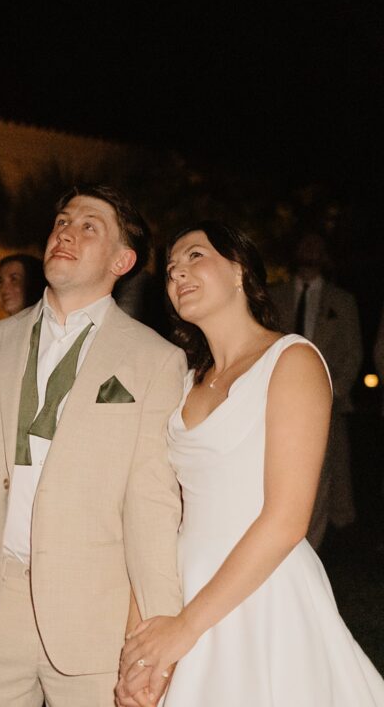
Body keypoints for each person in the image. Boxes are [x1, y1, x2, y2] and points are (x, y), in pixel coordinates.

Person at [0, 185, 186, 707]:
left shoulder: (156, 361)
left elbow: (151, 508)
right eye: (63, 221)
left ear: (122, 260)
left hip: (96, 620)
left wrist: (157, 636)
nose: (67, 232)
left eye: (90, 227)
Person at [116, 221, 384, 707]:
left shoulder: (291, 359)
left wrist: (186, 629)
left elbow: (286, 521)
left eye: (195, 256)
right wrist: (139, 640)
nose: (178, 274)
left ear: (239, 271)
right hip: (179, 582)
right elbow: (156, 512)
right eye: (171, 270)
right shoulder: (180, 380)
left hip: (263, 590)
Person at [269, 232, 361, 547]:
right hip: (275, 400)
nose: (309, 250)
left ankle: (312, 542)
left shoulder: (342, 301)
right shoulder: (274, 296)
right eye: (304, 244)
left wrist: (332, 392)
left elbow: (353, 352)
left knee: (322, 474)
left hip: (326, 399)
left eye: (316, 246)